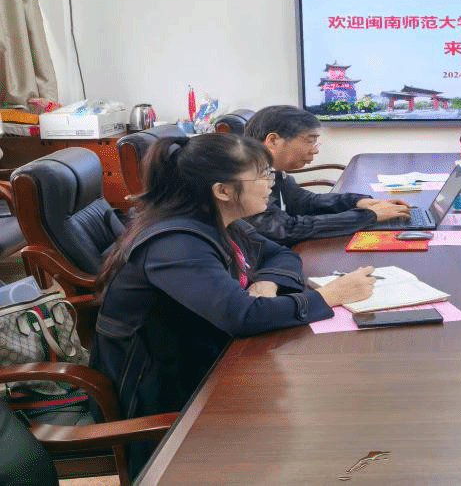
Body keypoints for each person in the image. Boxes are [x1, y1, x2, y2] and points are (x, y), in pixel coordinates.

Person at [91, 133, 376, 476]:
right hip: (160, 393)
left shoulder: (219, 223)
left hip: (205, 358)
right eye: (263, 176)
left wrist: (267, 282)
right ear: (223, 191)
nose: (271, 184)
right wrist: (329, 295)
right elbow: (243, 316)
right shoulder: (177, 244)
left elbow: (279, 254)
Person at [243, 105, 410, 244]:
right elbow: (286, 229)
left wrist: (357, 202)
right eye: (310, 141)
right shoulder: (245, 180)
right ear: (273, 141)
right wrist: (368, 216)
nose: (315, 150)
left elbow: (306, 201)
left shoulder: (271, 171)